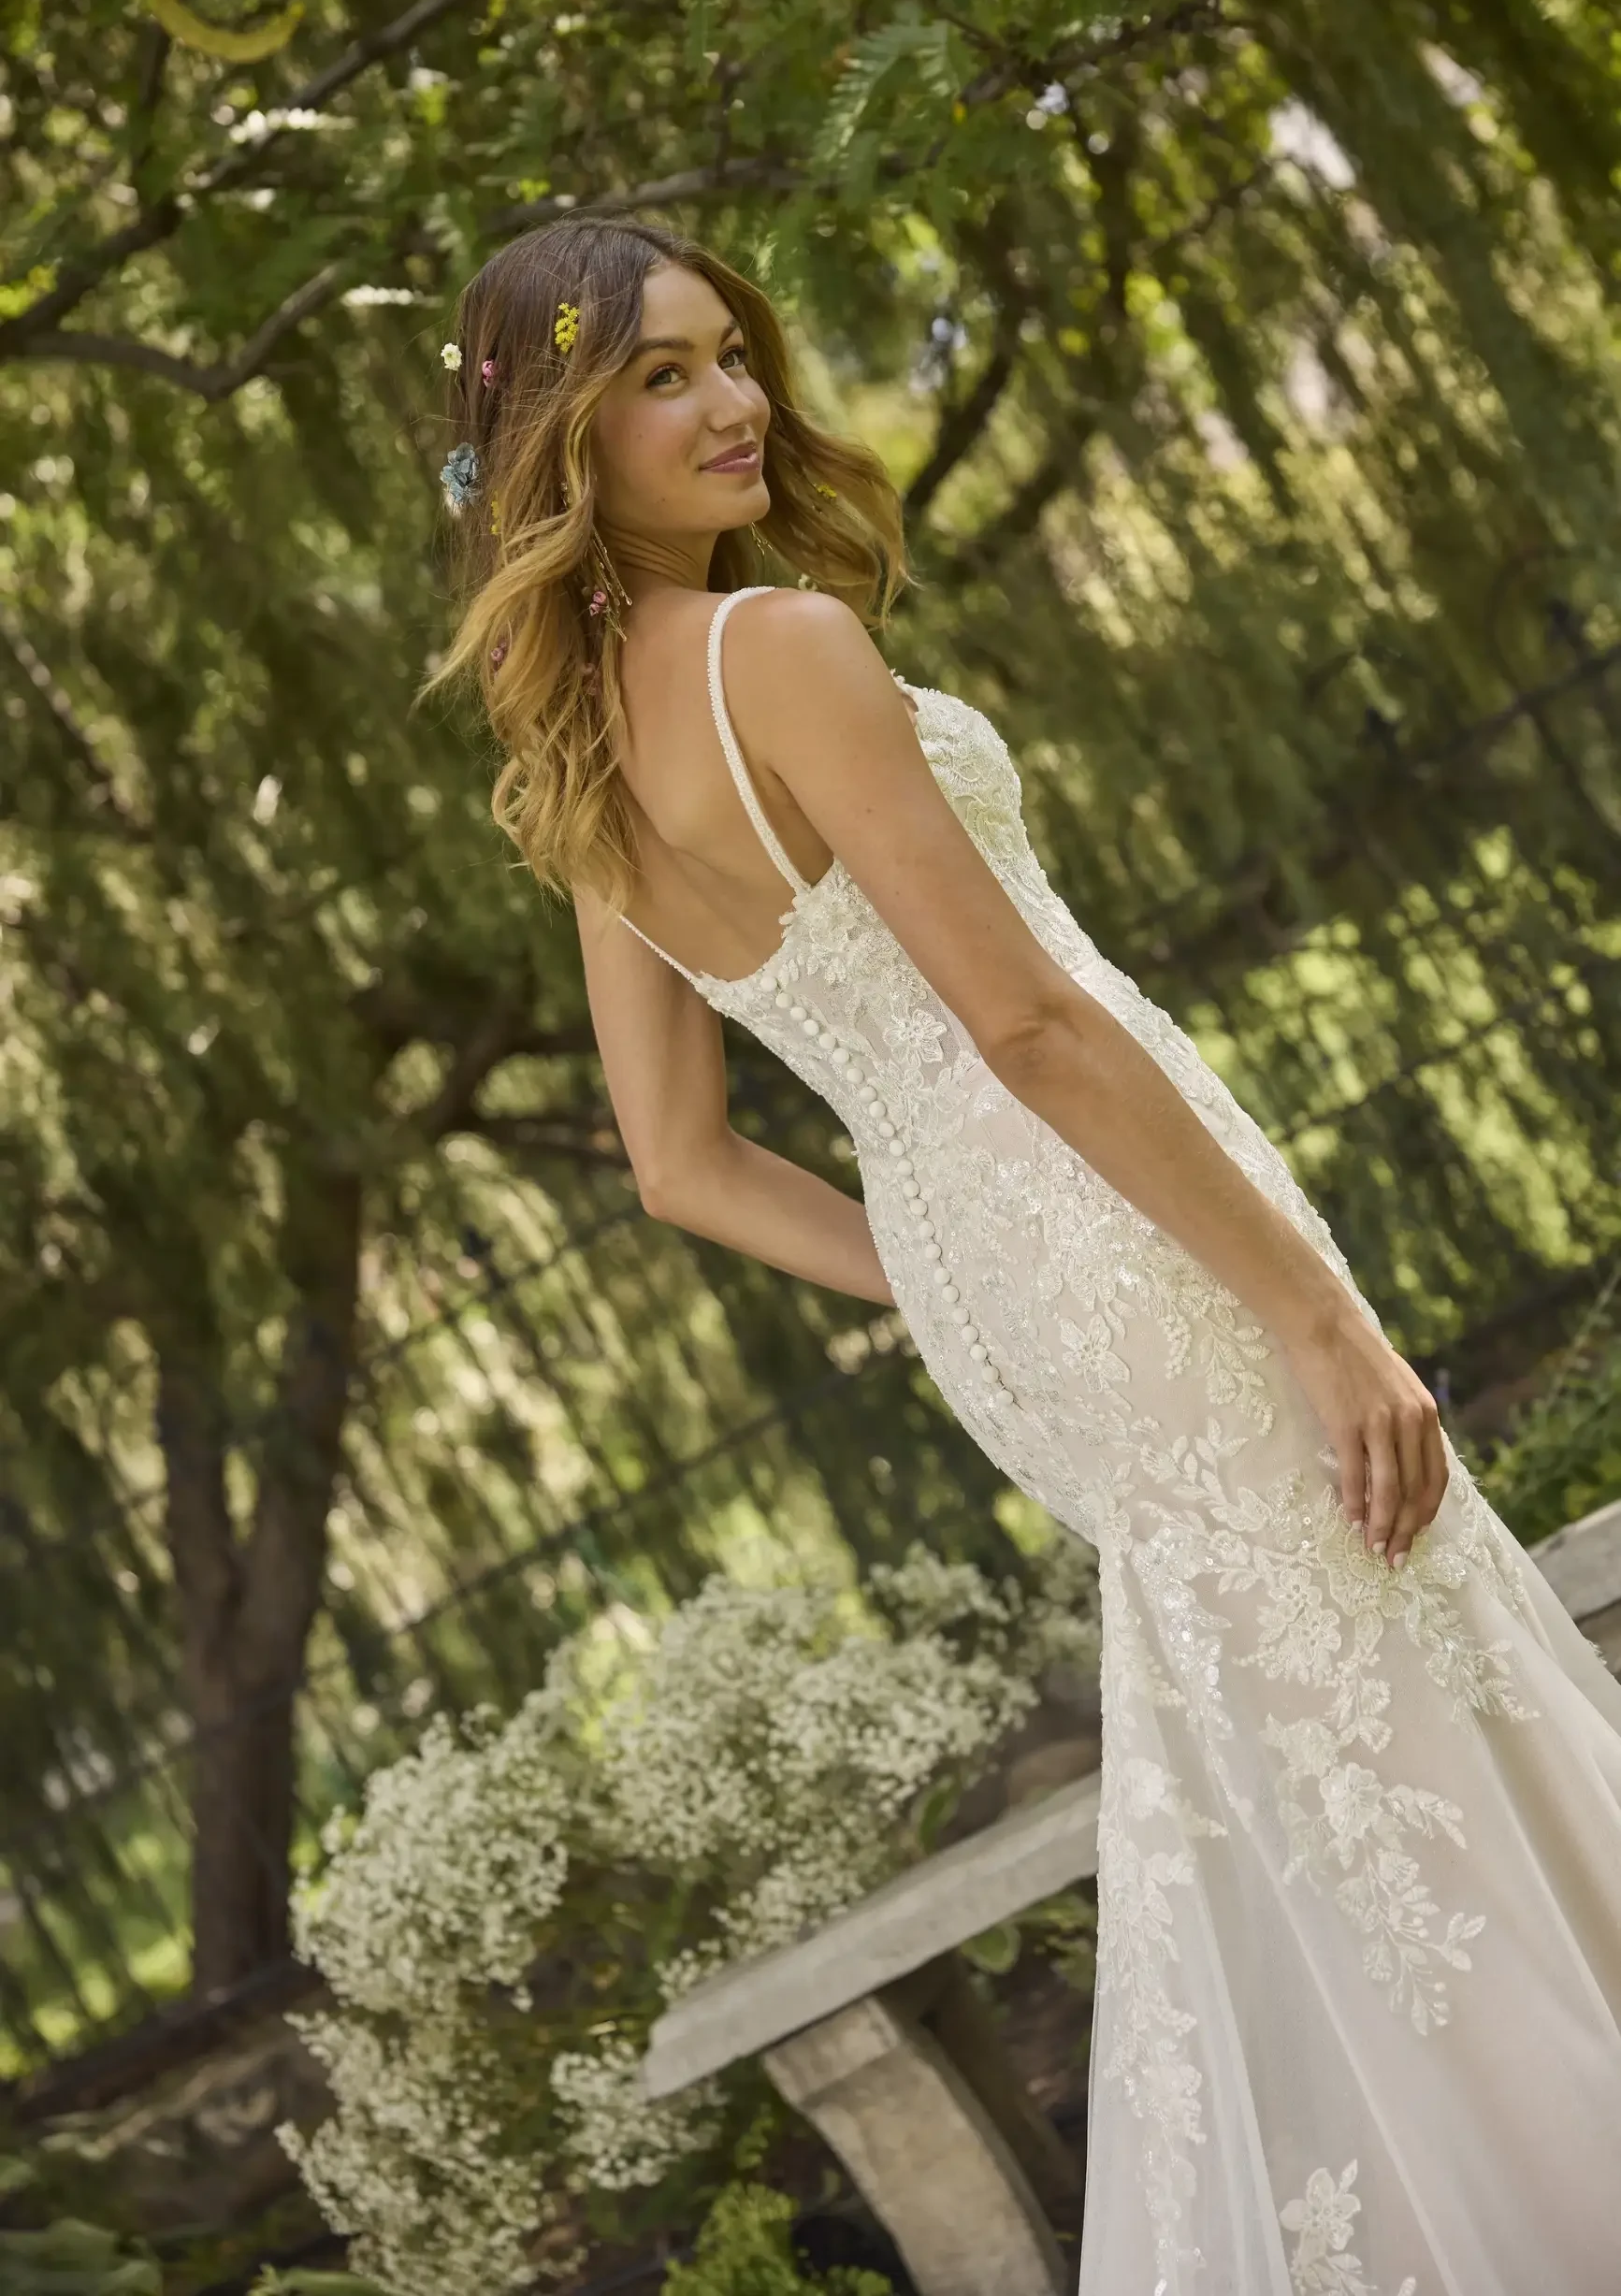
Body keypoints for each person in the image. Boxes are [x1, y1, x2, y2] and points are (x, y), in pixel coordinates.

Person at [424, 216, 1621, 2294]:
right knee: (1386, 1686)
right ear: (552, 432)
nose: (732, 406)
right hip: (1136, 1241)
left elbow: (680, 1166)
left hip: (1034, 1290)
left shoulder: (582, 778)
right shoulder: (775, 644)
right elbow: (1027, 1020)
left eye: (728, 357)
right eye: (658, 378)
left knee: (1329, 1716)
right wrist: (1313, 1312)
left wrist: (954, 1269)